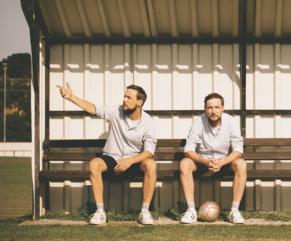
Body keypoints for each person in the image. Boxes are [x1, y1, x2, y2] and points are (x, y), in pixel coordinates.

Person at [57, 83, 157, 225]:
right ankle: (100, 212)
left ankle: (144, 212)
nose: (124, 100)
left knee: (151, 165)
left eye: (129, 97)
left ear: (139, 102)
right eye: (124, 96)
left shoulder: (148, 122)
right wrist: (71, 97)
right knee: (94, 164)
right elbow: (93, 108)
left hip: (134, 160)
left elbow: (149, 151)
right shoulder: (115, 111)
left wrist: (130, 161)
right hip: (112, 157)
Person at [179, 93, 246, 224]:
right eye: (210, 107)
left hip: (224, 162)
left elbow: (238, 150)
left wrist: (222, 162)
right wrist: (204, 161)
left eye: (216, 107)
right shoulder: (199, 121)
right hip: (202, 161)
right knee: (185, 163)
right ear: (205, 108)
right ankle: (191, 211)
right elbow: (188, 150)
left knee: (241, 164)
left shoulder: (231, 121)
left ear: (223, 108)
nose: (213, 111)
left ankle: (234, 211)